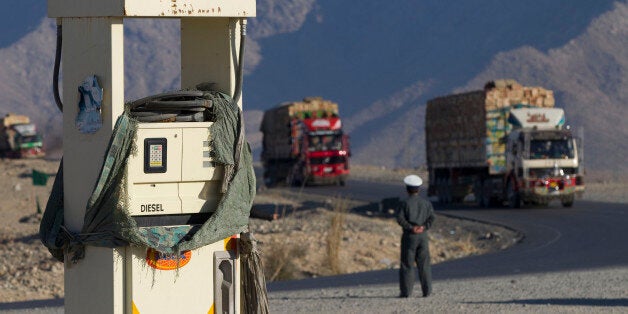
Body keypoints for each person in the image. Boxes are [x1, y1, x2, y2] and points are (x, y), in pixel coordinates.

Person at [396, 174, 435, 298]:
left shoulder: (404, 203)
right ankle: (427, 291)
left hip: (410, 237)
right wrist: (424, 227)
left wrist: (411, 227)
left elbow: (400, 218)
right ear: (418, 189)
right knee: (424, 264)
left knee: (407, 264)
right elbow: (432, 218)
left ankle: (406, 292)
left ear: (407, 189)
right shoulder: (426, 203)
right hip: (423, 236)